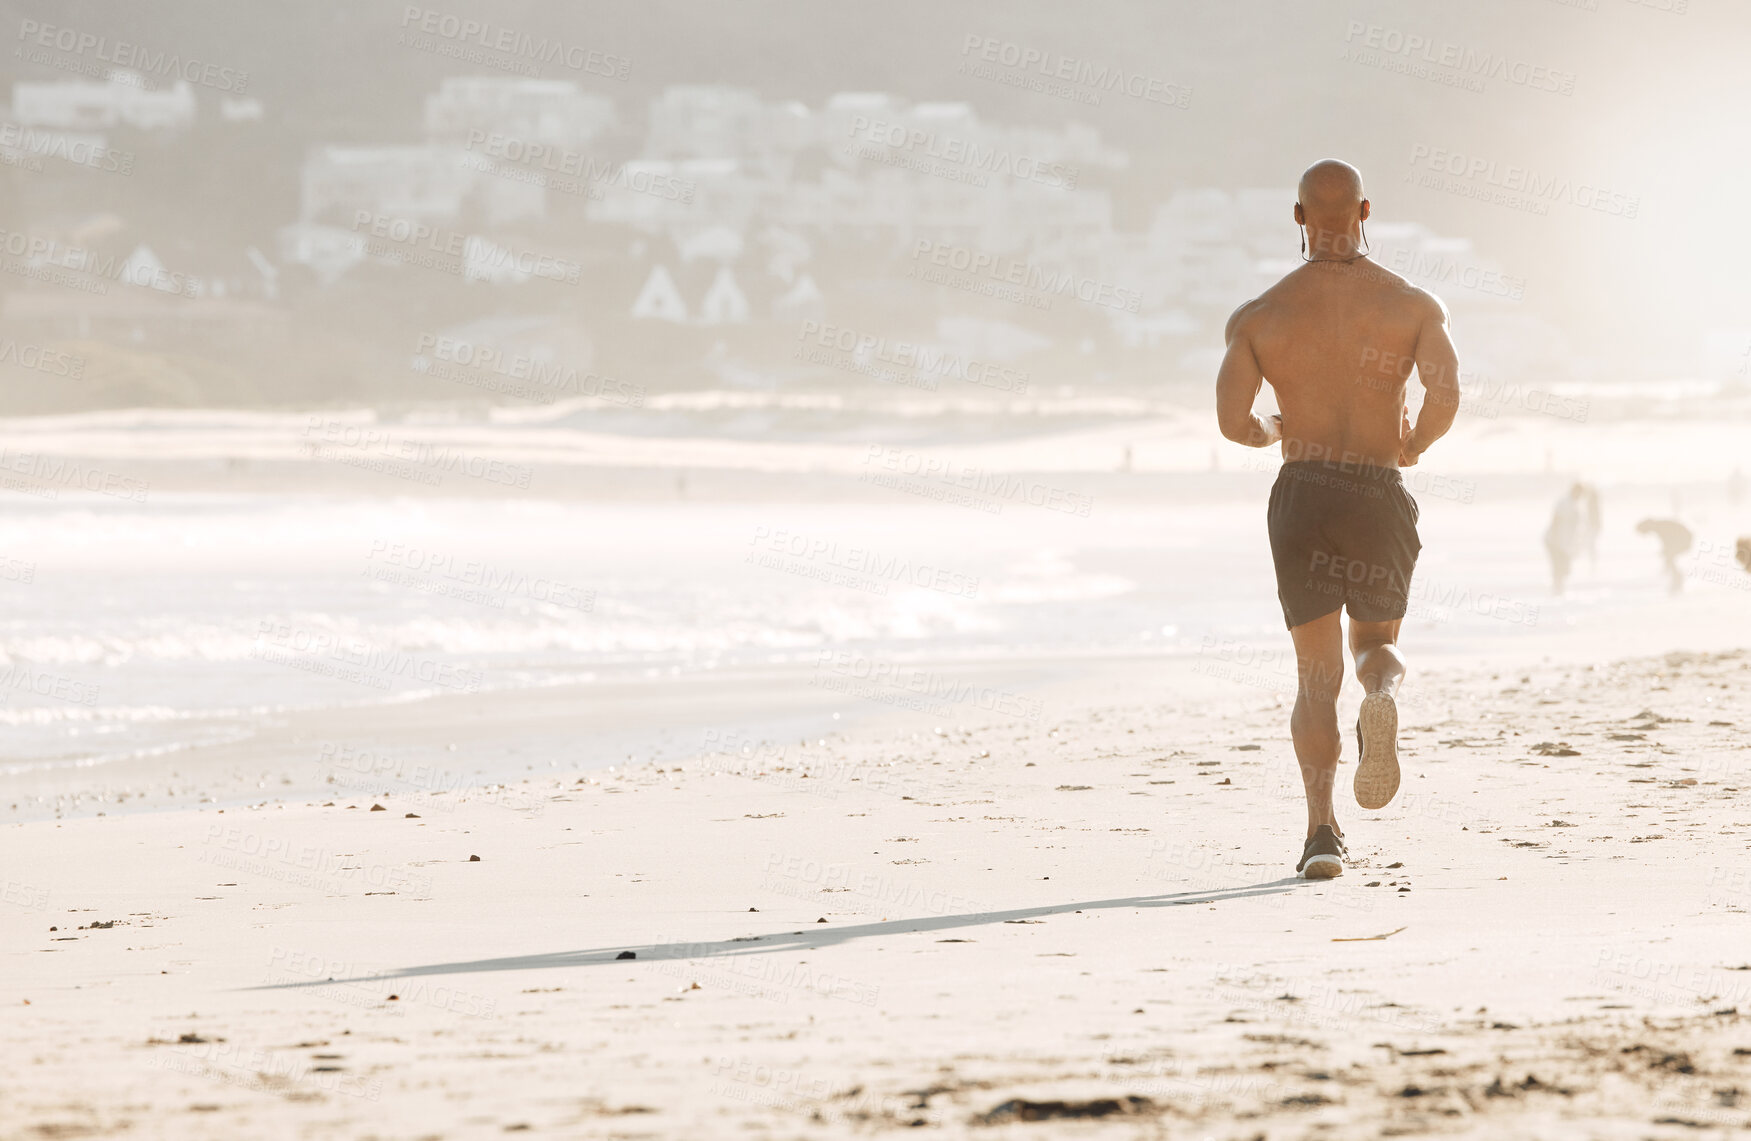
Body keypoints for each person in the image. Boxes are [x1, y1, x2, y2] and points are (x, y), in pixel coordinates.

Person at [1215, 159, 1459, 880]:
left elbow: (1233, 422)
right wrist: (1412, 442)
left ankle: (1321, 833)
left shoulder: (1260, 316)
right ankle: (1380, 696)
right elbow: (1445, 393)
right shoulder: (1411, 306)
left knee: (1313, 676)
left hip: (1302, 493)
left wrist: (1271, 431)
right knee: (1372, 648)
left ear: (1297, 219)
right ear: (1364, 212)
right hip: (1375, 489)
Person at [1544, 485, 1586, 594]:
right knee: (1558, 566)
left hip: (1564, 542)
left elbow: (1575, 528)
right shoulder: (1565, 503)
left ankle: (1559, 588)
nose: (1580, 496)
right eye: (1579, 493)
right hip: (1555, 540)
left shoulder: (1575, 505)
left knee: (1564, 568)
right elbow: (1555, 519)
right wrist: (1554, 537)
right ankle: (1557, 589)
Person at [1636, 518, 1693, 594]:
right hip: (1683, 539)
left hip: (1684, 540)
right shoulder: (1659, 526)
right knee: (1669, 557)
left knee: (1669, 557)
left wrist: (1667, 550)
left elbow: (1669, 539)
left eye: (1644, 532)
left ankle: (1676, 578)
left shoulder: (1661, 527)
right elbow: (1667, 541)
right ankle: (1672, 575)